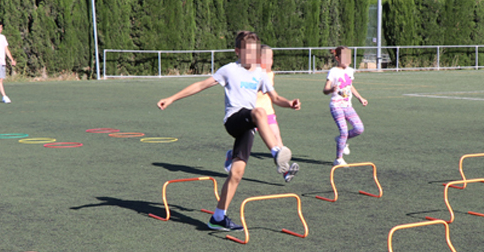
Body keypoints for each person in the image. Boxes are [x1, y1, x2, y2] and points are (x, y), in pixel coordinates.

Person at [157, 31, 301, 231]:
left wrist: (290, 103)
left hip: (248, 125)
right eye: (247, 52)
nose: (252, 56)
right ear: (237, 52)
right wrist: (171, 98)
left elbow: (275, 98)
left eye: (255, 52)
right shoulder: (229, 70)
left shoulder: (260, 73)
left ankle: (218, 217)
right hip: (234, 119)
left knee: (237, 172)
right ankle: (276, 152)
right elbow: (201, 85)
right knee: (259, 112)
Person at [224, 44, 283, 172]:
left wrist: (288, 103)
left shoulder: (270, 74)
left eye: (271, 58)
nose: (269, 61)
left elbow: (274, 96)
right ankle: (232, 155)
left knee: (277, 138)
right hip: (253, 114)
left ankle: (285, 169)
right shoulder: (252, 74)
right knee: (247, 144)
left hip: (268, 112)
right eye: (266, 58)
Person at [323, 46, 368, 166]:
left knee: (359, 128)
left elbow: (350, 86)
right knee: (343, 131)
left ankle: (341, 140)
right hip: (336, 106)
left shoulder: (350, 71)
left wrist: (360, 98)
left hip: (347, 105)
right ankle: (338, 159)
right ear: (337, 58)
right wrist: (331, 89)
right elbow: (325, 89)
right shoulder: (333, 71)